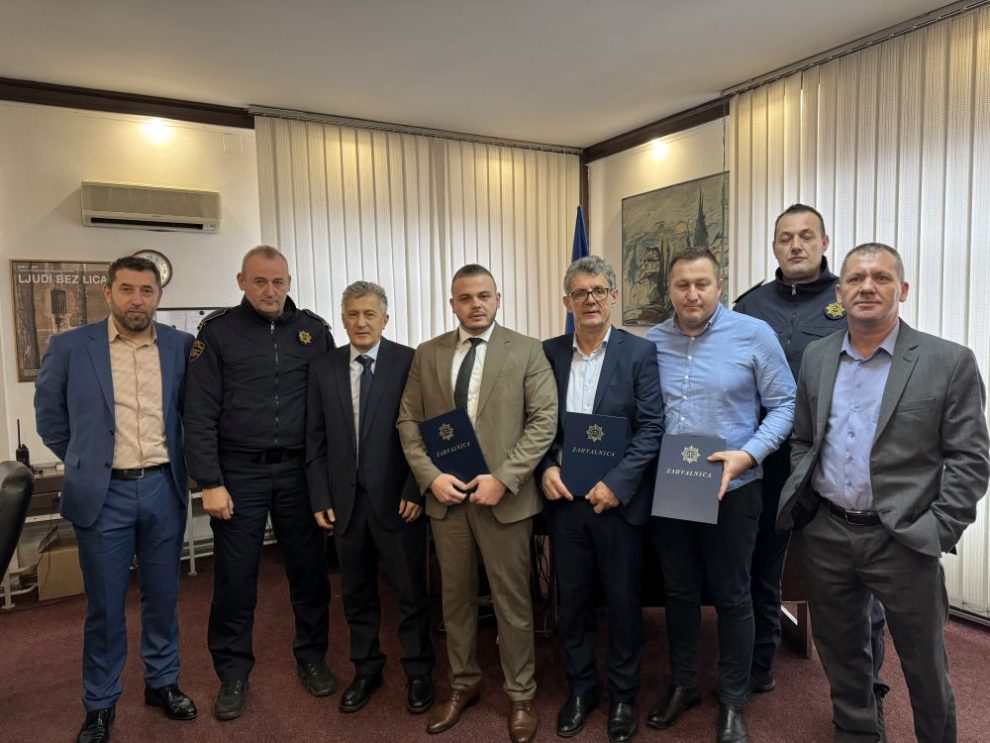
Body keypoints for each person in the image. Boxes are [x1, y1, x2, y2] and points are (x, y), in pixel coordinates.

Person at [777, 243, 990, 743]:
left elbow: (970, 459)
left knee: (924, 661)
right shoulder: (818, 357)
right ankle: (858, 732)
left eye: (881, 278)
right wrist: (810, 507)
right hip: (829, 532)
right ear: (839, 293)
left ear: (903, 289)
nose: (867, 287)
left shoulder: (948, 361)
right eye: (855, 279)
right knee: (842, 653)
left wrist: (938, 529)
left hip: (905, 538)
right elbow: (803, 437)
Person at [35, 255, 197, 743]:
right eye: (127, 289)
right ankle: (101, 703)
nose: (137, 300)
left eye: (147, 291)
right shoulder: (70, 347)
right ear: (108, 293)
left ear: (158, 296)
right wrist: (87, 461)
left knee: (163, 597)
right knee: (105, 606)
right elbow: (50, 418)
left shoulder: (180, 346)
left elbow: (192, 413)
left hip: (164, 487)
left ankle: (162, 682)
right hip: (104, 495)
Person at [397, 264, 557, 743]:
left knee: (513, 602)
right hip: (448, 500)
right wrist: (430, 478)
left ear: (498, 298)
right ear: (453, 304)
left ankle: (521, 695)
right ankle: (462, 683)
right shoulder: (428, 354)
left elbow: (543, 420)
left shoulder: (526, 350)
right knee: (455, 600)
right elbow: (408, 422)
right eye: (465, 298)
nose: (476, 305)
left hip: (502, 500)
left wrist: (504, 479)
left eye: (484, 295)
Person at [733, 203, 888, 700]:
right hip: (769, 455)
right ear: (774, 246)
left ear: (824, 242)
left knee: (854, 574)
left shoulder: (852, 297)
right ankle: (760, 662)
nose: (795, 245)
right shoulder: (750, 305)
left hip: (835, 456)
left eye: (806, 236)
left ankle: (866, 688)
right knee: (762, 562)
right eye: (785, 238)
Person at [645, 247, 795, 743]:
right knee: (679, 592)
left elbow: (785, 404)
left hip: (736, 488)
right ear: (669, 289)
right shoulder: (653, 342)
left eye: (701, 284)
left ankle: (732, 698)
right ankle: (684, 685)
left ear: (719, 285)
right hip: (674, 487)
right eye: (682, 285)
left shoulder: (754, 334)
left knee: (733, 595)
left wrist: (749, 454)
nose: (692, 294)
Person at [184, 245, 335, 721]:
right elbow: (199, 412)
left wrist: (327, 479)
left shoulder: (314, 332)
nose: (270, 291)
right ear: (241, 282)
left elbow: (330, 410)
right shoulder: (218, 333)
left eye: (278, 281)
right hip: (238, 473)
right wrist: (209, 480)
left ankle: (312, 656)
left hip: (299, 472)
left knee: (310, 573)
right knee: (235, 578)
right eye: (260, 281)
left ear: (289, 282)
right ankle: (232, 672)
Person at [537, 256, 663, 743]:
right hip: (565, 501)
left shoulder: (639, 353)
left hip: (617, 503)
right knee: (573, 603)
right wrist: (545, 467)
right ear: (565, 301)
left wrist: (617, 484)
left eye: (598, 291)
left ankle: (624, 696)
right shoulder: (548, 353)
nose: (589, 300)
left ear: (613, 296)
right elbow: (536, 423)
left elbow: (651, 427)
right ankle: (581, 690)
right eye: (579, 292)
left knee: (624, 603)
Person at [305, 281, 435, 715]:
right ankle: (366, 669)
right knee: (356, 593)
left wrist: (416, 487)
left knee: (410, 593)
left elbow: (424, 430)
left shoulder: (408, 361)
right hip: (345, 503)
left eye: (369, 314)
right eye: (353, 314)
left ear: (385, 319)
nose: (361, 322)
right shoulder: (323, 367)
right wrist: (319, 495)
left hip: (399, 500)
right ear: (343, 319)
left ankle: (419, 670)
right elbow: (314, 438)